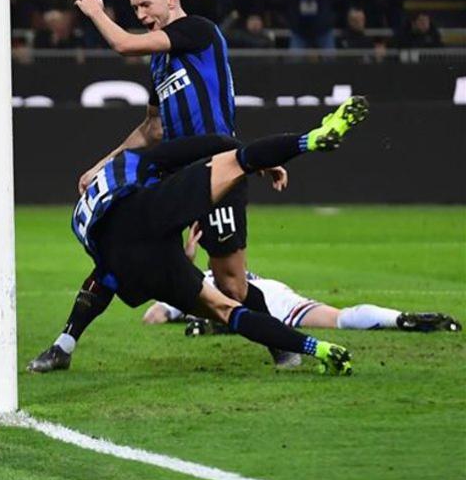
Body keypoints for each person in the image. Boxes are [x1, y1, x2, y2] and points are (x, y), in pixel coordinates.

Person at [28, 96, 369, 375]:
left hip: (128, 264)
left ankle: (62, 347)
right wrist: (260, 160)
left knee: (222, 310)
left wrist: (178, 254)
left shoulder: (83, 217)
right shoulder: (137, 162)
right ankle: (309, 139)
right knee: (238, 161)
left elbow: (110, 269)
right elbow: (212, 144)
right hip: (146, 217)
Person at [60, 0, 291, 371]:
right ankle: (64, 343)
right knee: (120, 251)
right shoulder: (161, 62)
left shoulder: (197, 32)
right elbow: (153, 127)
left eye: (145, 5)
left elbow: (122, 44)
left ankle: (282, 343)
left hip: (216, 171)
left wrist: (96, 12)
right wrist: (103, 164)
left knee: (231, 286)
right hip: (174, 175)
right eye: (134, 8)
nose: (141, 15)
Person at [142, 224, 461, 351]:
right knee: (339, 317)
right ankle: (397, 318)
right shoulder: (235, 272)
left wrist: (182, 264)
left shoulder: (196, 284)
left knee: (229, 312)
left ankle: (220, 325)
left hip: (243, 301)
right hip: (276, 295)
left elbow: (153, 315)